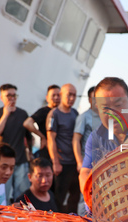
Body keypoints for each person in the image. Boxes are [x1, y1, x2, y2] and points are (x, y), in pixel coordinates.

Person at [0, 84, 34, 203]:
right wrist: (6, 114)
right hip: (3, 163)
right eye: (8, 95)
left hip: (20, 161)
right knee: (3, 195)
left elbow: (28, 137)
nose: (12, 98)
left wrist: (30, 152)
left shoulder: (23, 114)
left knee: (23, 196)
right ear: (1, 97)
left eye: (14, 95)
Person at [46, 83, 80, 213]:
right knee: (59, 198)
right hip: (61, 164)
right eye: (69, 95)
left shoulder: (75, 113)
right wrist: (55, 162)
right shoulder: (54, 114)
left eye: (74, 95)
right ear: (61, 95)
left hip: (74, 163)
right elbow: (51, 139)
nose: (72, 98)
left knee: (75, 198)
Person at [23, 85, 58, 160]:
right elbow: (27, 123)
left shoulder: (65, 113)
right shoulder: (44, 111)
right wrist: (42, 137)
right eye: (53, 95)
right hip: (47, 151)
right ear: (47, 97)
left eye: (58, 95)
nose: (56, 98)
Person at [73, 86, 101, 171]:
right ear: (89, 100)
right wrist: (79, 162)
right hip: (88, 163)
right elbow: (76, 140)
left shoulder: (106, 117)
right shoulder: (84, 117)